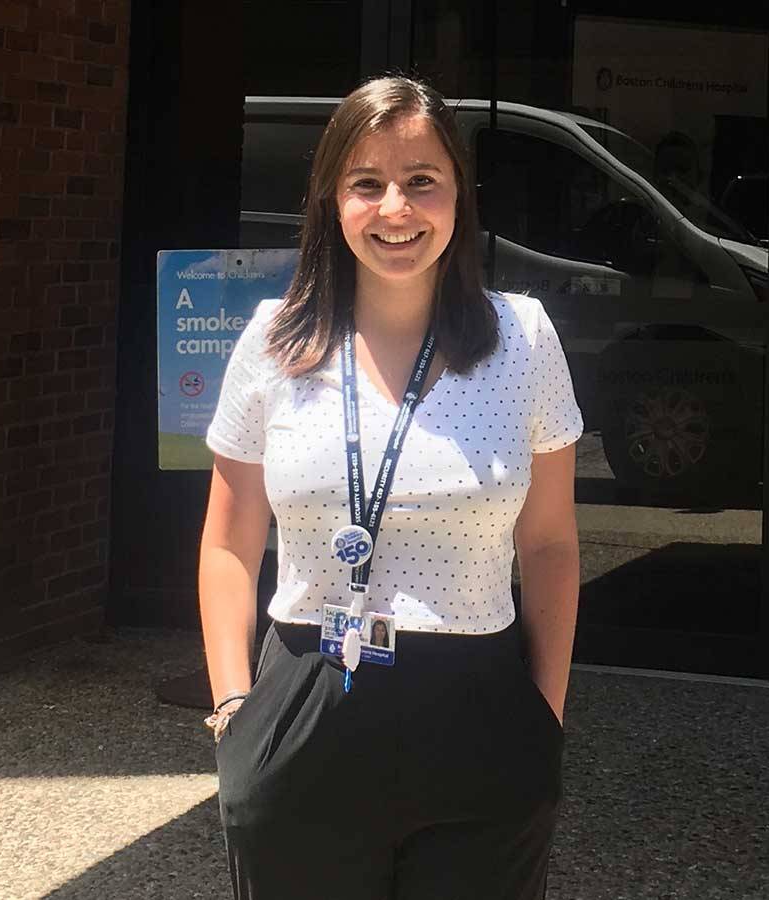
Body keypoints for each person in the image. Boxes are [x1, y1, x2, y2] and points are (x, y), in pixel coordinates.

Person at [197, 75, 583, 899]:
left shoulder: (524, 340)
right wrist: (234, 711)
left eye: (421, 180)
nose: (396, 209)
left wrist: (544, 717)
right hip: (306, 702)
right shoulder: (272, 343)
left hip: (482, 716)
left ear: (459, 196)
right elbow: (229, 543)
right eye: (367, 183)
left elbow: (550, 543)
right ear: (331, 199)